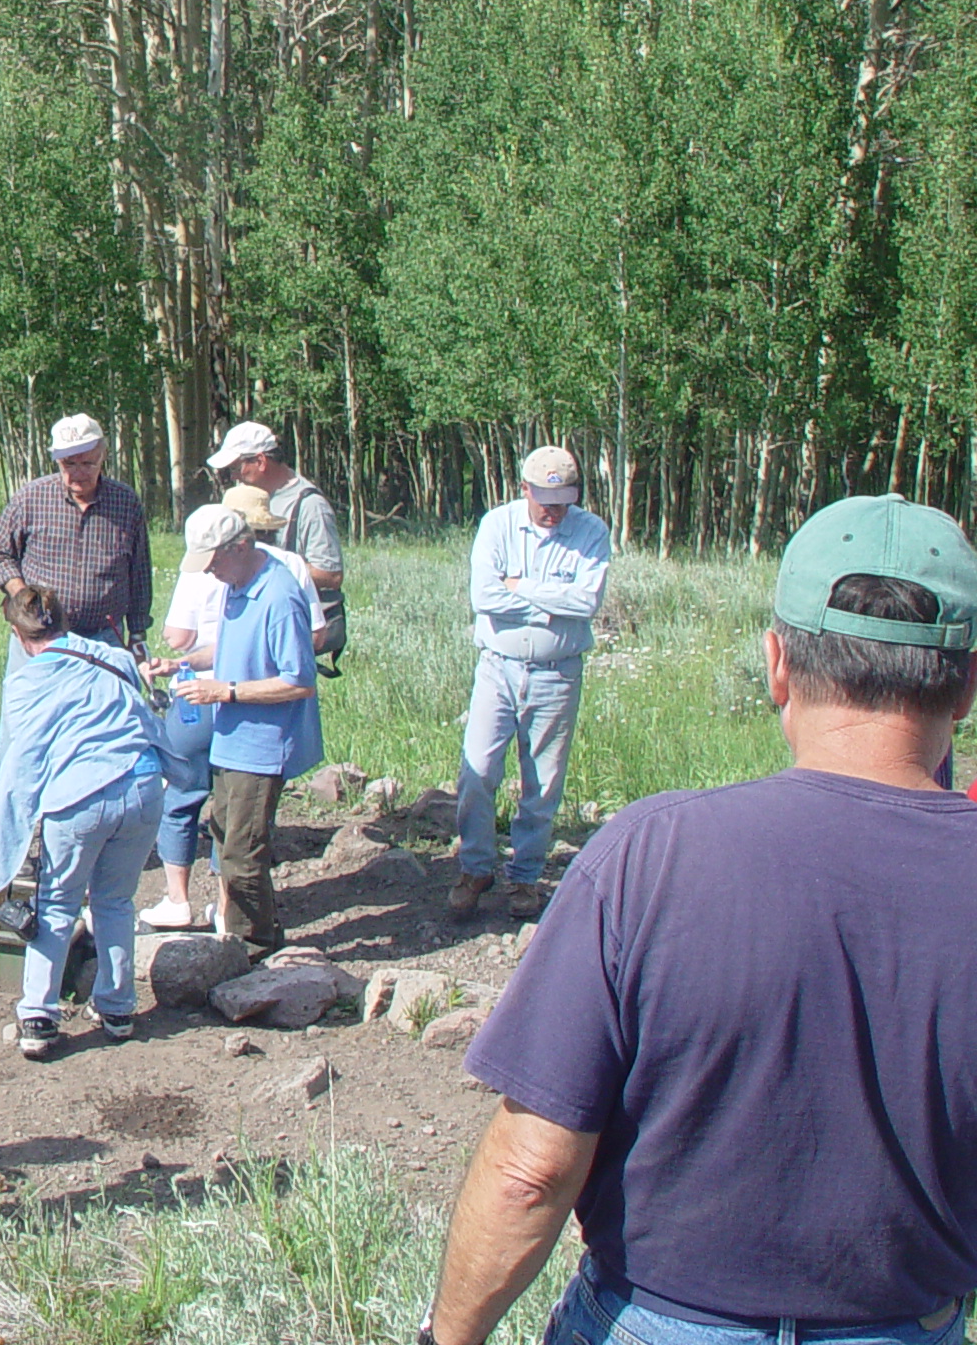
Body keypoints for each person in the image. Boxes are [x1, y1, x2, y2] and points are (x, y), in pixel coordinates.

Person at [423, 494, 977, 1345]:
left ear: (777, 664)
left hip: (659, 1320)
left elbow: (532, 1170)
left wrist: (446, 1338)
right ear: (967, 685)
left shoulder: (653, 855)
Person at [0, 583, 165, 1059]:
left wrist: (6, 845)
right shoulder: (115, 656)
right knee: (115, 901)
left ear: (21, 636)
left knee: (57, 907)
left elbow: (18, 765)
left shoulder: (27, 681)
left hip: (80, 797)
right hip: (144, 785)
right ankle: (118, 1009)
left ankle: (39, 1017)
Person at [142, 482, 328, 931]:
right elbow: (227, 647)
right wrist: (181, 663)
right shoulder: (236, 584)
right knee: (225, 838)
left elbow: (298, 681)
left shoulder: (280, 596)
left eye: (213, 563)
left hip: (260, 745)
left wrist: (225, 692)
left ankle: (255, 943)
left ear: (241, 546)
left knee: (243, 859)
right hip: (229, 739)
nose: (208, 574)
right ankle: (241, 934)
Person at [451, 445, 612, 922]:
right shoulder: (497, 525)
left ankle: (525, 877)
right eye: (544, 497)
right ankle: (475, 866)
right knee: (477, 771)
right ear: (524, 489)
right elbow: (484, 595)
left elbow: (586, 602)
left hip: (558, 672)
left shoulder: (591, 531)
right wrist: (549, 602)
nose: (553, 509)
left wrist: (519, 587)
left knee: (542, 782)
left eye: (563, 498)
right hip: (498, 667)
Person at [0, 413, 154, 674]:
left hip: (104, 638)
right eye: (69, 464)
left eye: (88, 463)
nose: (78, 473)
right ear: (56, 460)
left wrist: (138, 634)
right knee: (34, 711)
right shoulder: (31, 498)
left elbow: (139, 572)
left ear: (103, 455)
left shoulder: (125, 502)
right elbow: (0, 554)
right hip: (39, 636)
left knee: (103, 711)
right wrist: (23, 596)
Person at [207, 420, 346, 657]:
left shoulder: (310, 505)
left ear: (260, 461)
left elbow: (331, 575)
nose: (233, 477)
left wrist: (269, 561)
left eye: (236, 468)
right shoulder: (242, 498)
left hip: (291, 628)